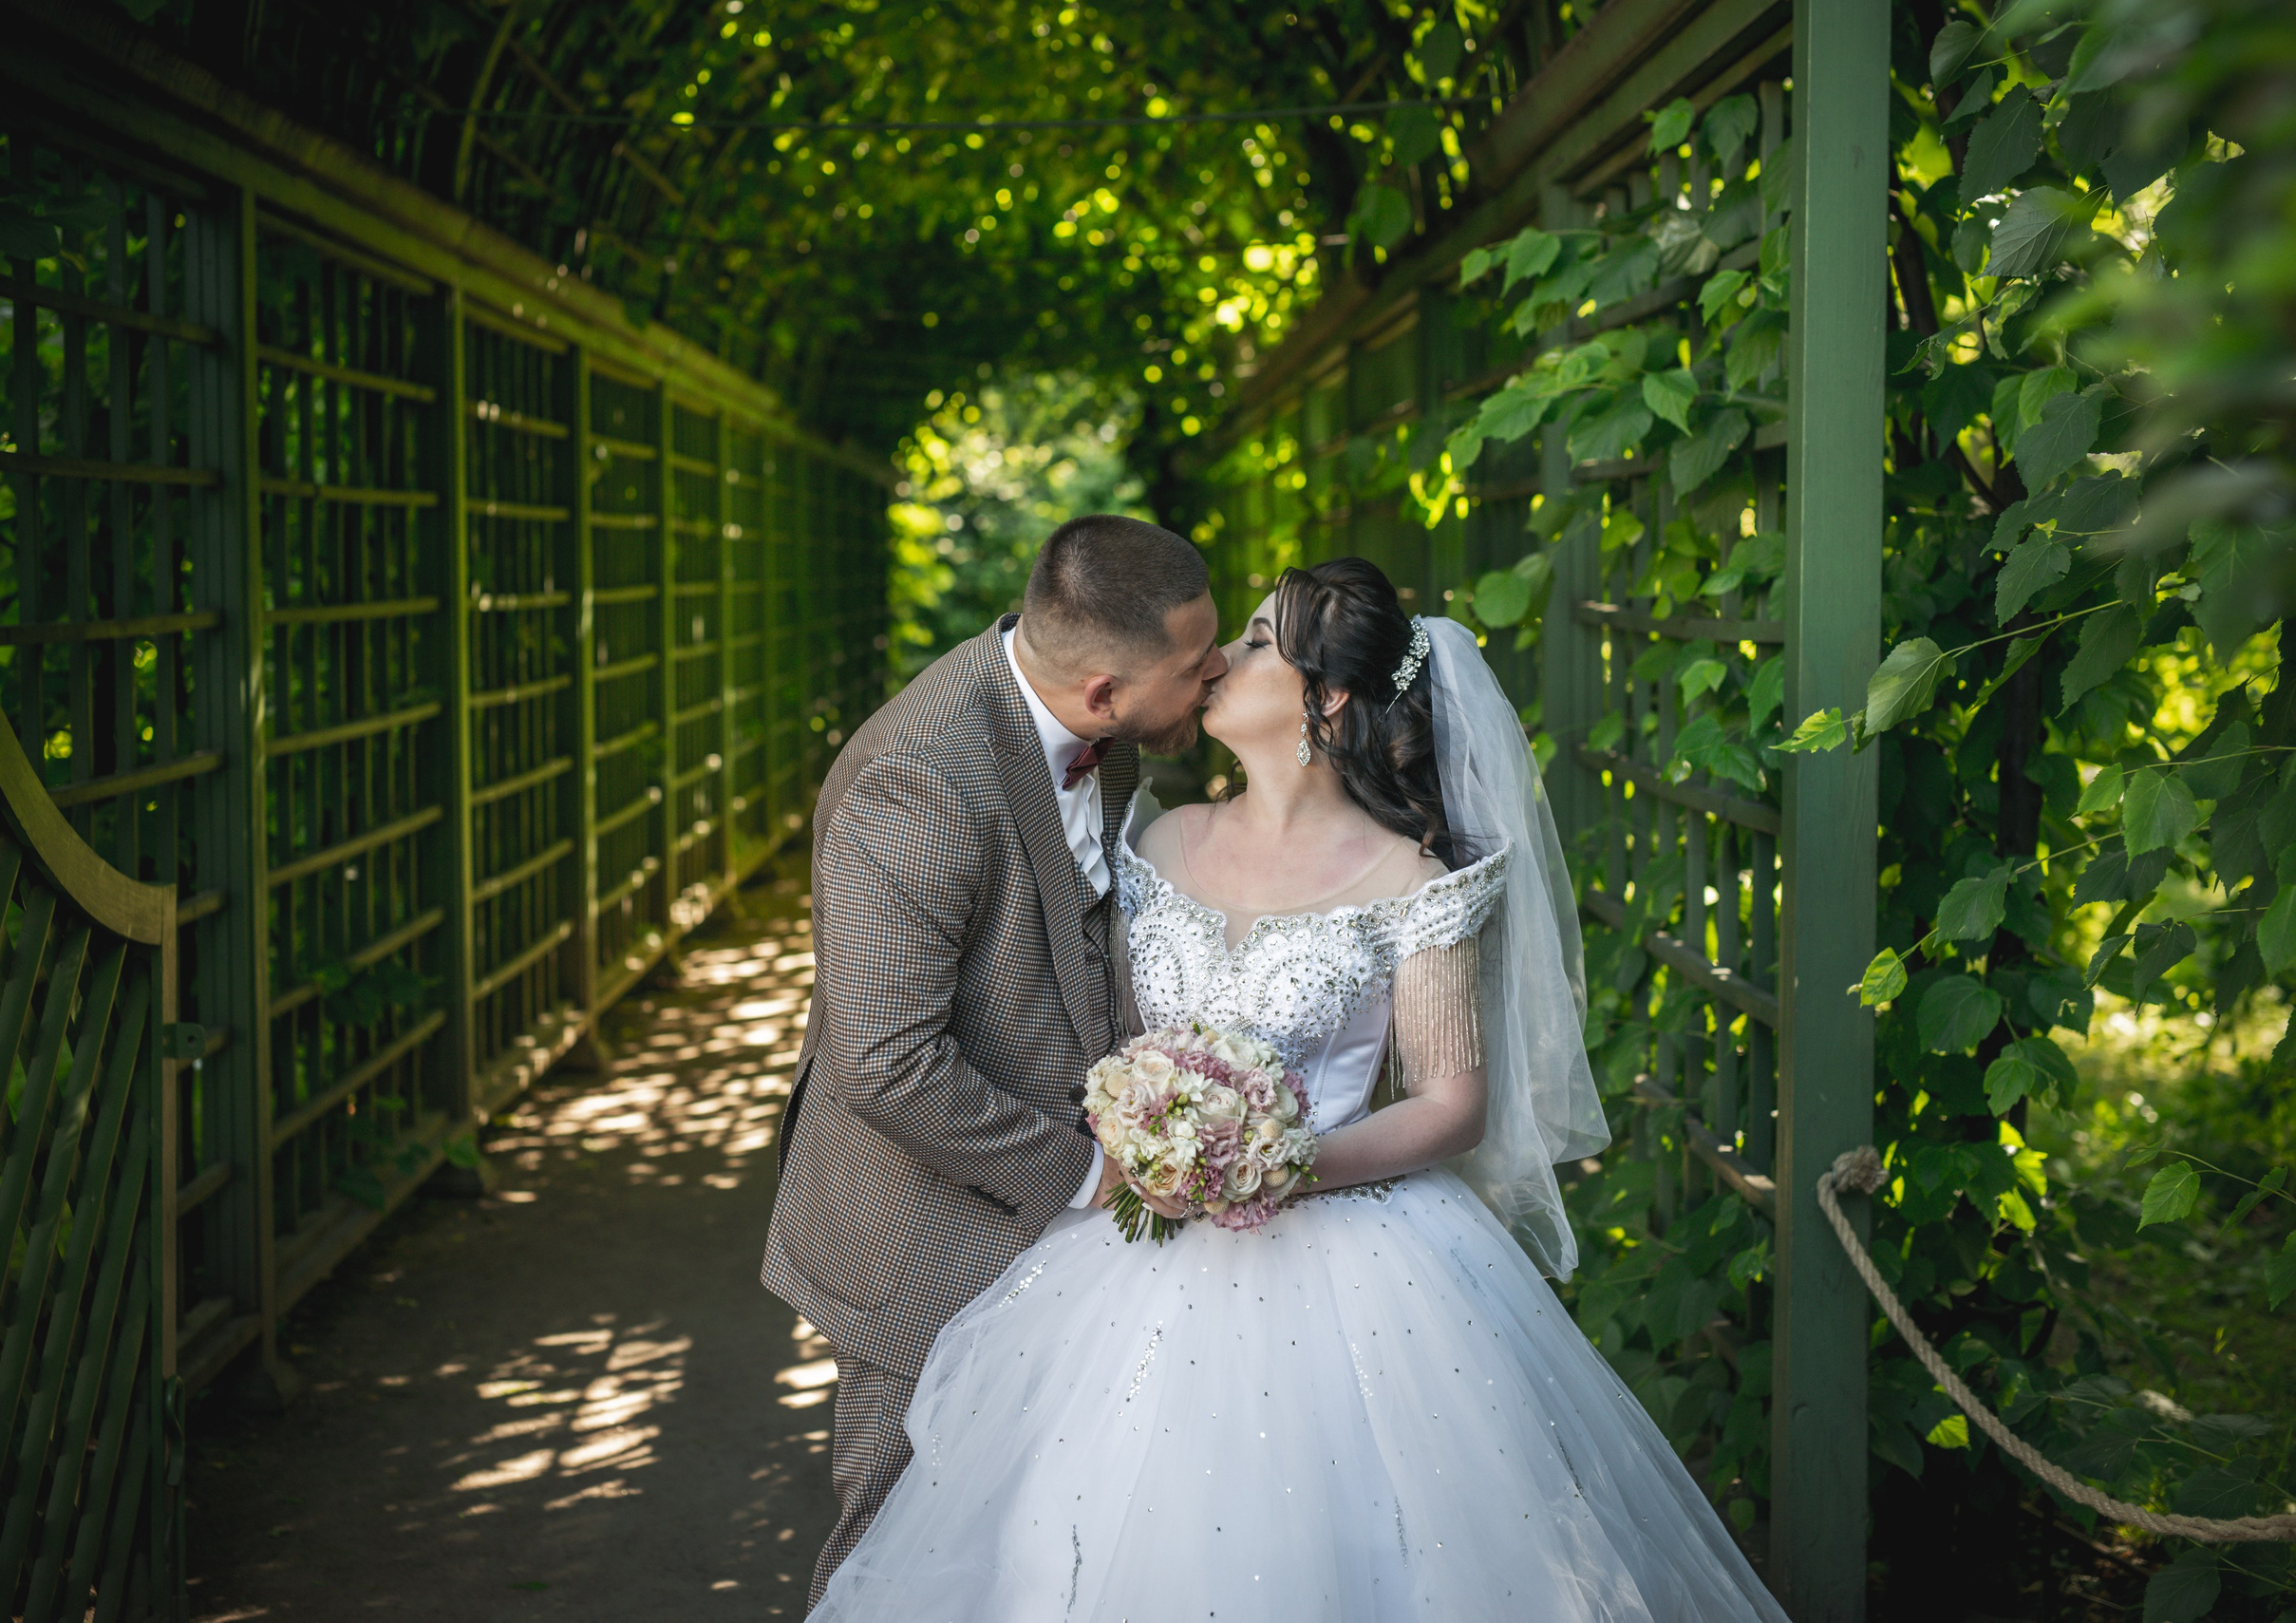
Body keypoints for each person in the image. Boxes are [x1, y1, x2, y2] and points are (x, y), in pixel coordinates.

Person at [803, 557, 1792, 1621]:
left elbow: (1452, 1102)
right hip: (1117, 1244)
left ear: (1326, 698)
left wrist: (1275, 1160)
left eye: (1260, 643)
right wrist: (1146, 1143)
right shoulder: (1158, 834)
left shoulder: (1410, 881)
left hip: (1347, 1261)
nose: (1224, 658)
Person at [763, 514, 1229, 1606]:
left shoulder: (1101, 730)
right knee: (902, 1542)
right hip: (923, 1230)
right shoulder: (919, 783)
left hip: (1079, 1236)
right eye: (1194, 663)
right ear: (1104, 691)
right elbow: (884, 1063)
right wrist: (1091, 1171)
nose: (1218, 672)